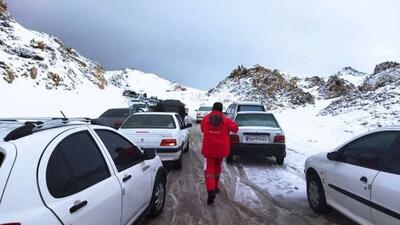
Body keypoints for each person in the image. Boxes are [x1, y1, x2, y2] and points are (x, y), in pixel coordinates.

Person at [201, 102, 238, 205]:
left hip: (209, 149)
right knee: (217, 168)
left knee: (210, 170)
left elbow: (203, 129)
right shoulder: (226, 120)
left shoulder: (206, 119)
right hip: (221, 149)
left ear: (213, 108)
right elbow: (235, 129)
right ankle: (215, 187)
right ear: (221, 110)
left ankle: (211, 190)